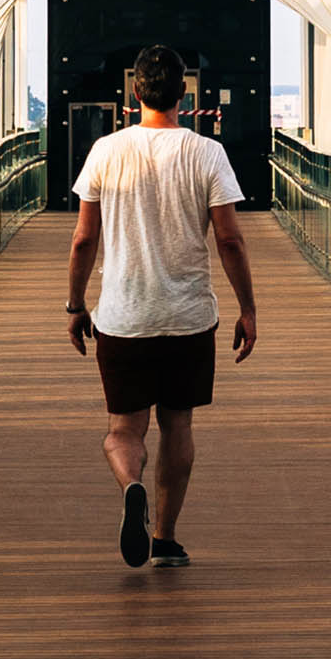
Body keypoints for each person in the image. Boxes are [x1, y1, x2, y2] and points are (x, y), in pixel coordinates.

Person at [65, 45, 258, 568]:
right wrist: (248, 309)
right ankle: (165, 538)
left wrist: (74, 305)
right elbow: (230, 240)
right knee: (179, 426)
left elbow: (84, 239)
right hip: (189, 317)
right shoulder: (207, 153)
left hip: (123, 317)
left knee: (123, 430)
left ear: (135, 93)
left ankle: (132, 485)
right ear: (184, 95)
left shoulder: (106, 151)